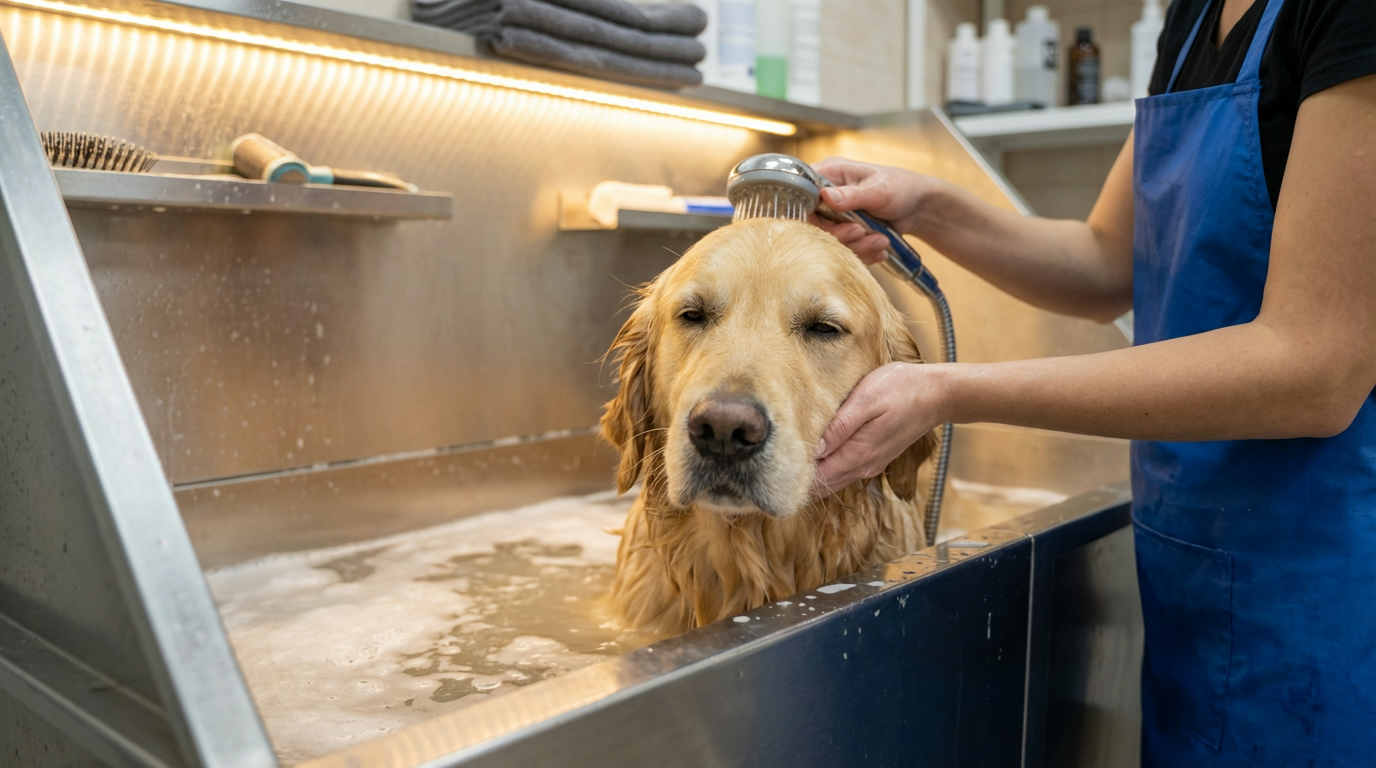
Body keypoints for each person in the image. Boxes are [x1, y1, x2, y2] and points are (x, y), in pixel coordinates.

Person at [808, 0, 1375, 764]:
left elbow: (1315, 367)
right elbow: (1105, 261)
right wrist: (926, 203)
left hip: (1325, 587)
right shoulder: (1192, 18)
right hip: (1192, 563)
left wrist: (950, 390)